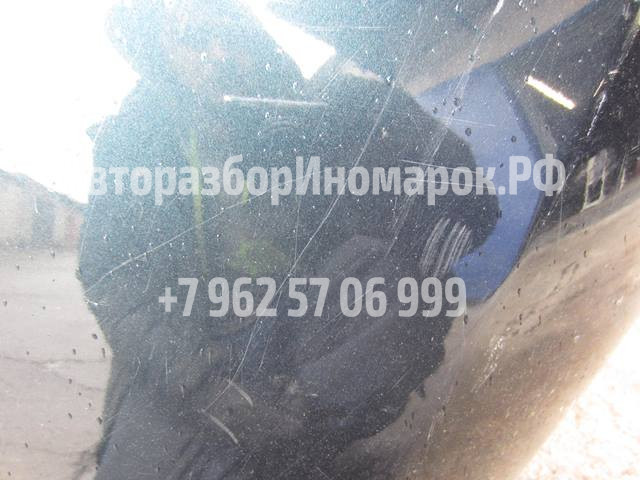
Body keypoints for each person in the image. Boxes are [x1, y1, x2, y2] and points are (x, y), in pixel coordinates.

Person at [79, 1, 498, 478]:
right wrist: (211, 390)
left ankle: (306, 436)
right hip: (197, 350)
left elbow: (472, 199)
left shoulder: (332, 108)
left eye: (225, 26)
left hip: (299, 332)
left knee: (400, 299)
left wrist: (410, 256)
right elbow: (115, 283)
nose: (217, 51)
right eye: (192, 36)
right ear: (161, 50)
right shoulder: (139, 139)